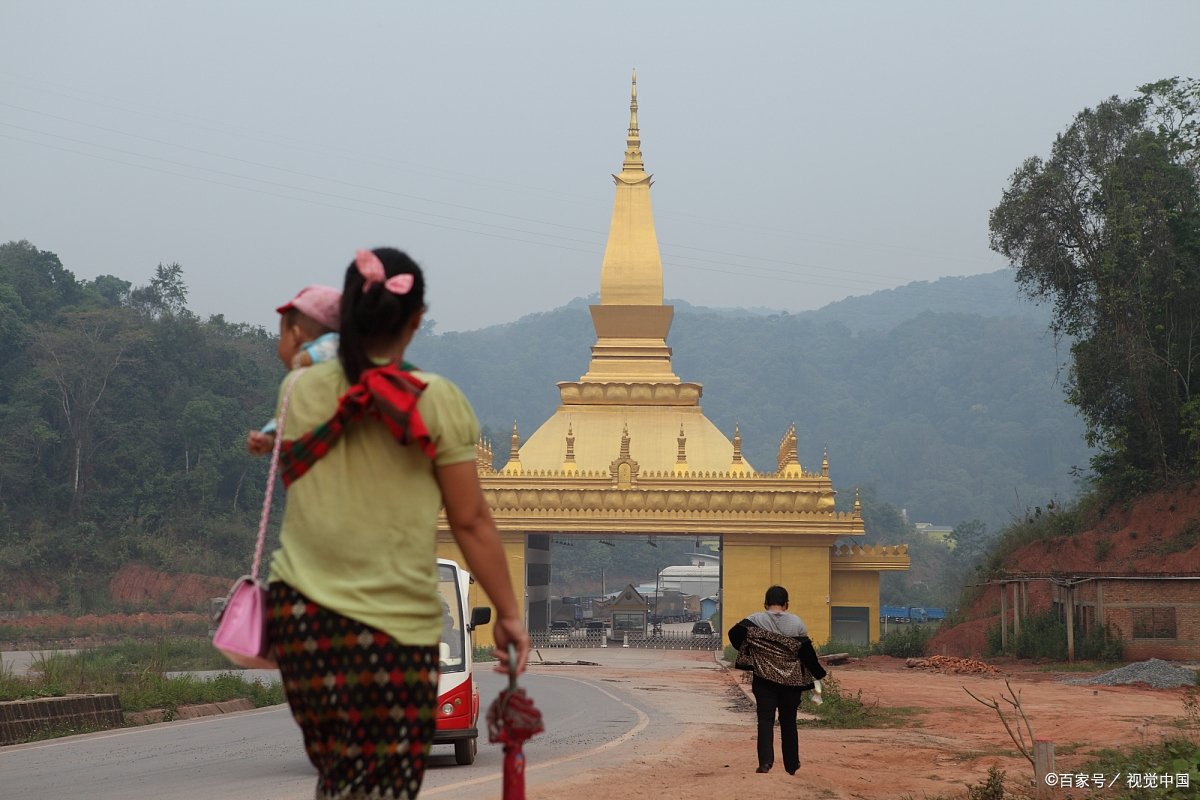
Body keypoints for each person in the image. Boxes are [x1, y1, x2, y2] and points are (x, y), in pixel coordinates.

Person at [265, 248, 530, 800]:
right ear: (417, 318)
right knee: (381, 785)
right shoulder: (437, 402)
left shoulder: (297, 390)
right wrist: (507, 613)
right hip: (396, 629)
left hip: (302, 623)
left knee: (342, 773)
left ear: (348, 313)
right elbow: (472, 520)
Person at [728, 585, 826, 776]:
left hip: (763, 680)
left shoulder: (755, 620)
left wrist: (752, 648)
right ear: (786, 603)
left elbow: (734, 634)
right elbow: (806, 652)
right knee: (788, 722)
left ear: (765, 603)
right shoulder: (796, 623)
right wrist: (819, 673)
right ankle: (791, 765)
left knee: (765, 720)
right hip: (791, 682)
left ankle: (765, 763)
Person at [246, 284, 342, 456]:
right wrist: (270, 437)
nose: (278, 345)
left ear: (295, 335)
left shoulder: (336, 353)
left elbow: (334, 345)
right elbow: (288, 420)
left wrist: (306, 357)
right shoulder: (302, 380)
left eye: (282, 336)